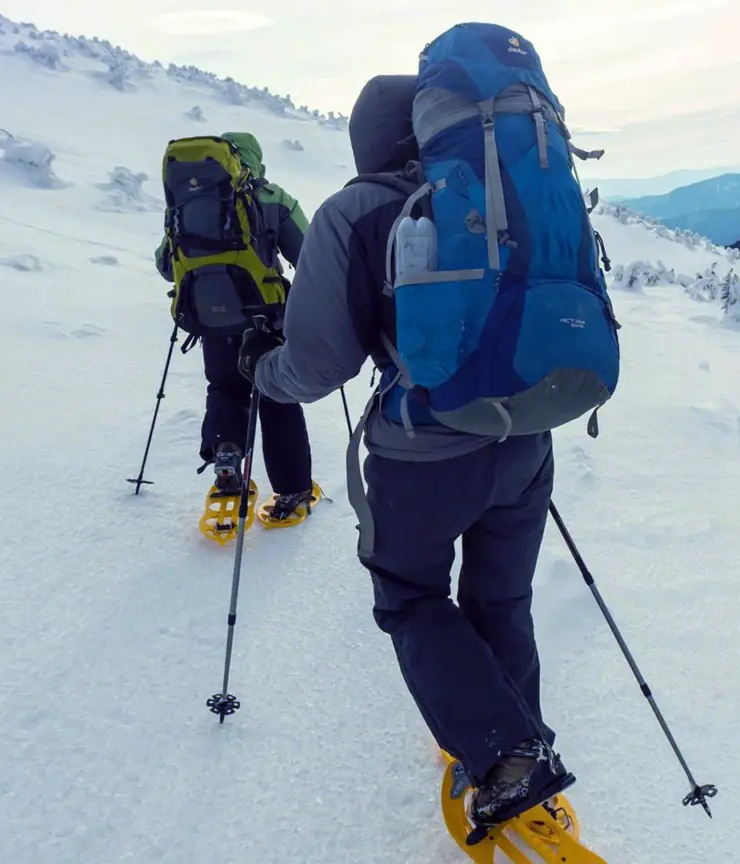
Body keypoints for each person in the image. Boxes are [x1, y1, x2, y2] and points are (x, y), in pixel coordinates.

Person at [237, 75, 573, 826]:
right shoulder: (504, 189)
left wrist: (262, 369)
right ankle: (515, 736)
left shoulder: (356, 210)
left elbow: (318, 366)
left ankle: (510, 756)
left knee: (412, 596)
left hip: (425, 454)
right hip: (525, 436)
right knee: (500, 599)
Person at [154, 131, 317, 522]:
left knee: (225, 387)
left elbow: (165, 265)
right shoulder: (272, 197)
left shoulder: (186, 202)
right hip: (266, 317)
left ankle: (226, 454)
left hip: (210, 319)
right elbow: (310, 254)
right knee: (276, 395)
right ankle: (292, 491)